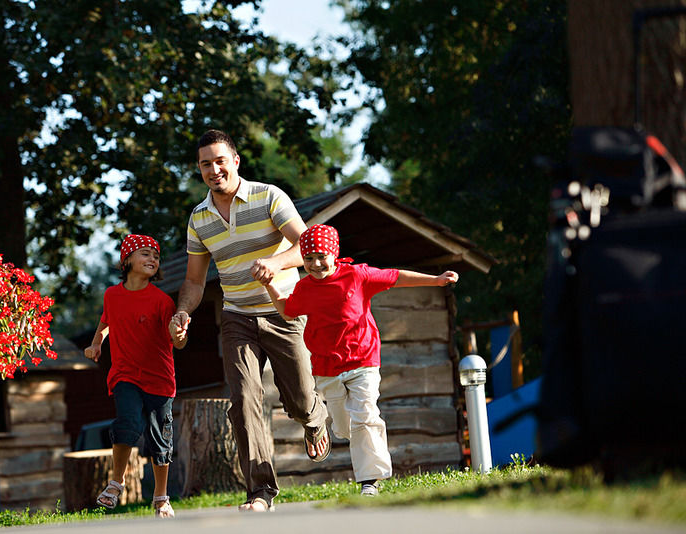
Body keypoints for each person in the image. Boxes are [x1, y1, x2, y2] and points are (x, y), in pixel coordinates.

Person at [169, 129, 330, 513]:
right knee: (242, 401)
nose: (214, 169)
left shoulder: (268, 196)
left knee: (301, 397)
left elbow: (306, 246)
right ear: (199, 169)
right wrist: (181, 312)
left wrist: (275, 263)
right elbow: (193, 281)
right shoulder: (199, 218)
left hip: (283, 311)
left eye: (220, 160)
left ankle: (314, 416)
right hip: (237, 316)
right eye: (205, 164)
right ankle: (261, 492)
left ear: (235, 161)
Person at [264, 224, 459, 496]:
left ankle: (370, 480)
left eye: (322, 256)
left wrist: (435, 280)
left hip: (362, 360)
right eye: (308, 258)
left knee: (365, 416)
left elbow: (396, 277)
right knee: (345, 427)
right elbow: (287, 311)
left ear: (334, 253)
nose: (316, 263)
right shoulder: (305, 287)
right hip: (327, 367)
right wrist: (270, 284)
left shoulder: (357, 275)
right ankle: (337, 430)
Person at [85, 234, 187, 518]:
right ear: (127, 260)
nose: (152, 259)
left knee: (159, 439)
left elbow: (176, 342)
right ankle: (115, 483)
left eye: (155, 256)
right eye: (145, 254)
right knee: (127, 423)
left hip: (159, 380)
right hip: (125, 374)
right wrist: (96, 343)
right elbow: (106, 320)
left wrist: (179, 335)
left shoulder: (163, 301)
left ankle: (161, 497)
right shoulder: (112, 295)